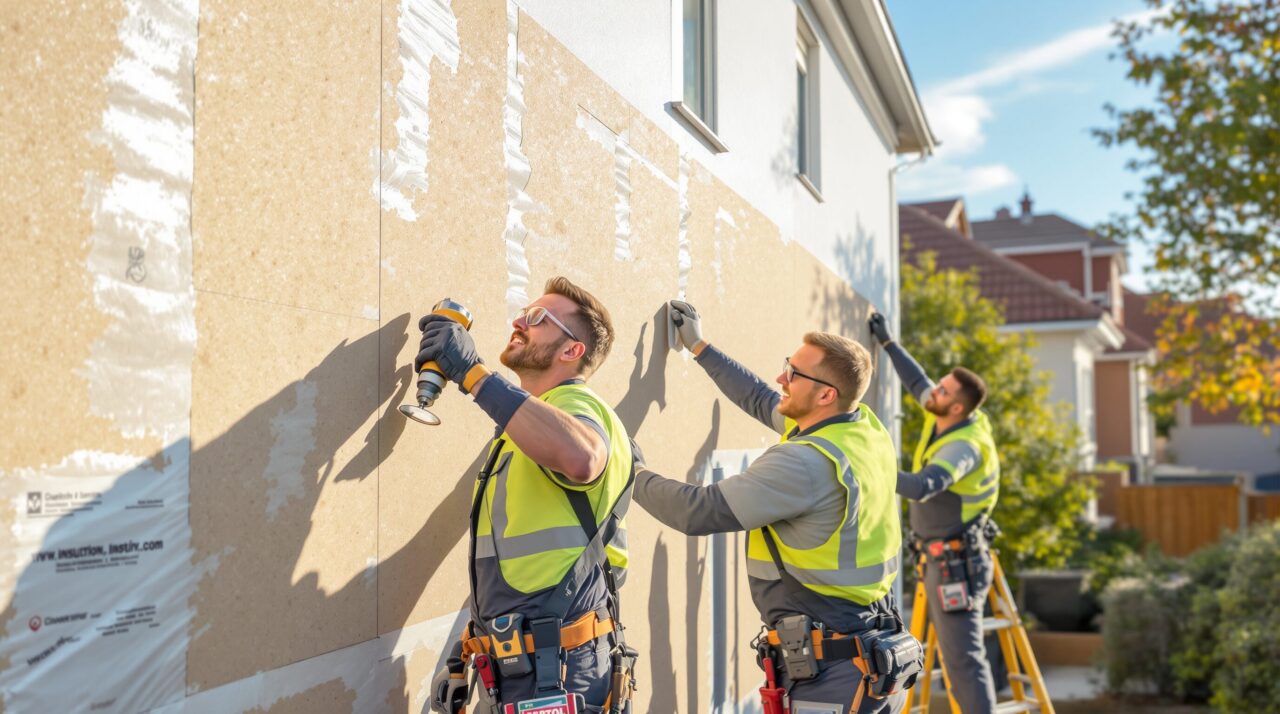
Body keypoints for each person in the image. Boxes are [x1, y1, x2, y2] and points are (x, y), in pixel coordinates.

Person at [632, 300, 920, 714]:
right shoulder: (862, 429)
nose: (781, 377)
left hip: (834, 673)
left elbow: (695, 511)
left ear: (825, 394)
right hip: (868, 650)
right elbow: (760, 397)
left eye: (794, 373)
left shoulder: (805, 463)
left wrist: (629, 471)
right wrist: (700, 347)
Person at [422, 277, 637, 714]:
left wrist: (474, 374)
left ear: (571, 350)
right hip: (528, 670)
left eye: (538, 318)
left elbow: (581, 458)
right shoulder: (523, 433)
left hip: (556, 671)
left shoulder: (581, 407)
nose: (519, 321)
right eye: (524, 312)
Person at [868, 312, 1000, 714]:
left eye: (942, 391)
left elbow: (924, 486)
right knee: (954, 657)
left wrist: (868, 465)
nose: (933, 392)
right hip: (938, 556)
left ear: (956, 406)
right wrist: (889, 343)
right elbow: (917, 382)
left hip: (956, 564)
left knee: (962, 660)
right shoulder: (950, 412)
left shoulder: (964, 447)